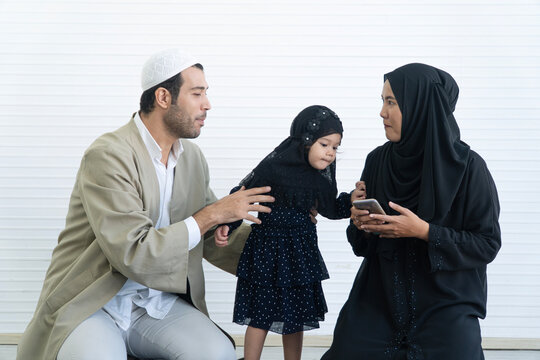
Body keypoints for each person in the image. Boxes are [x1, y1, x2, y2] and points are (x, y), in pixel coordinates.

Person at [16, 48, 275, 360]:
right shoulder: (109, 155)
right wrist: (211, 214)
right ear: (164, 97)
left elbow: (210, 237)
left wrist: (284, 238)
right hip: (96, 303)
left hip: (156, 304)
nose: (207, 104)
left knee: (216, 353)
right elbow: (133, 251)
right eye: (197, 93)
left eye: (206, 93)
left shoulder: (192, 159)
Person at [322, 63, 501, 360]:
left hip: (446, 303)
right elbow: (362, 246)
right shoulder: (378, 160)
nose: (382, 112)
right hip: (378, 298)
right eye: (382, 101)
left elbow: (487, 244)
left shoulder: (470, 168)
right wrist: (360, 223)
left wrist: (424, 232)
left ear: (421, 106)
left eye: (391, 102)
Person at [215, 105, 365, 360]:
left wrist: (352, 200)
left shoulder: (320, 176)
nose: (330, 153)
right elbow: (243, 196)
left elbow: (328, 207)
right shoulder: (273, 167)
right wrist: (227, 224)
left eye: (335, 147)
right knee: (260, 314)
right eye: (324, 144)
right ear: (305, 140)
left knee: (296, 315)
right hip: (267, 250)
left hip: (300, 253)